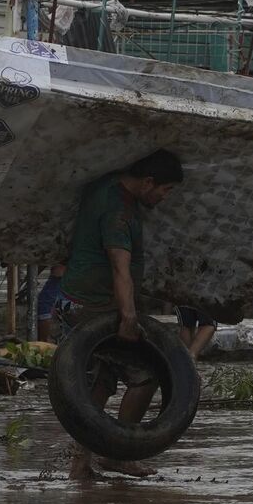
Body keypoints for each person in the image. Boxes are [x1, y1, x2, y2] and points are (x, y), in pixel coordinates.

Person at [59, 149, 183, 481]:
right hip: (96, 305)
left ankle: (79, 464)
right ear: (148, 182)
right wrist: (129, 316)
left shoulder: (104, 185)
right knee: (145, 375)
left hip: (74, 297)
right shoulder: (120, 214)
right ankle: (118, 453)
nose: (164, 198)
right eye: (165, 190)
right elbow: (120, 268)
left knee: (96, 386)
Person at [35, 265, 66, 343]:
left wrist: (32, 276)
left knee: (44, 308)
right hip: (62, 278)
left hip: (61, 277)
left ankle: (45, 342)